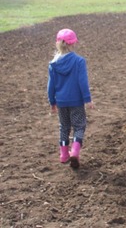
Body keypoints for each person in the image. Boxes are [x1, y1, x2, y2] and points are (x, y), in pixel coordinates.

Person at [47, 29, 94, 169]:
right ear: (73, 44)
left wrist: (52, 101)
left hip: (61, 102)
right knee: (79, 125)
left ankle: (64, 155)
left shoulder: (53, 64)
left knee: (64, 126)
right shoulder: (79, 61)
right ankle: (74, 150)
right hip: (76, 101)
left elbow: (51, 85)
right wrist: (88, 99)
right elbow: (82, 81)